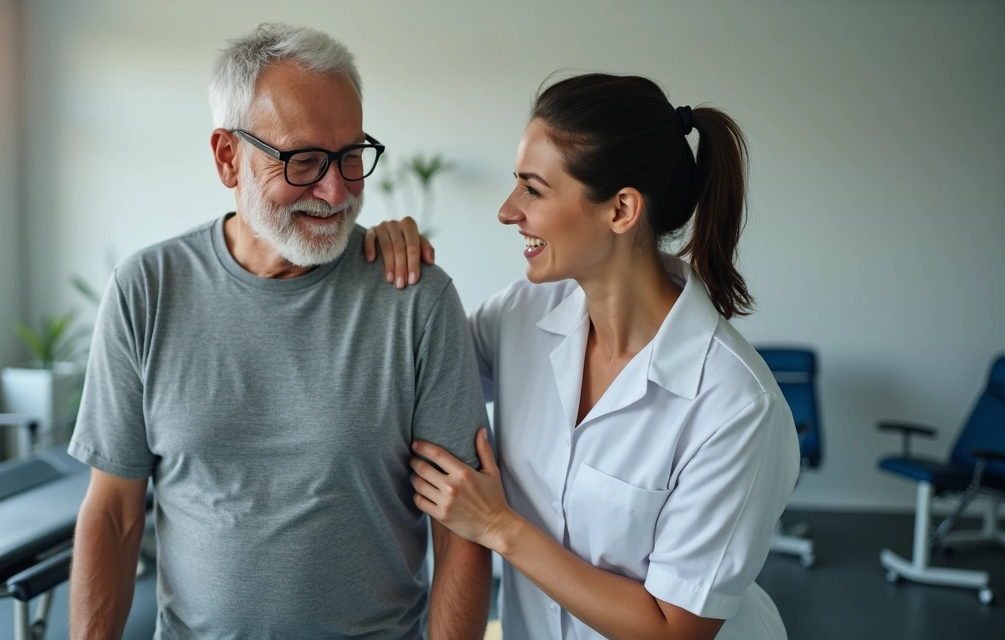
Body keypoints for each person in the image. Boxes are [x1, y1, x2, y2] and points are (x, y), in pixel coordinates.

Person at [66, 23, 492, 640]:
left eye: (351, 156)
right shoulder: (146, 291)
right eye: (304, 159)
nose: (336, 190)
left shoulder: (416, 297)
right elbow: (113, 514)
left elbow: (461, 530)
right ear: (227, 156)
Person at [366, 73, 800, 640]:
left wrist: (500, 526)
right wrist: (381, 258)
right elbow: (418, 376)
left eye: (533, 190)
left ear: (621, 209)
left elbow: (673, 629)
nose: (506, 210)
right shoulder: (524, 313)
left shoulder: (736, 406)